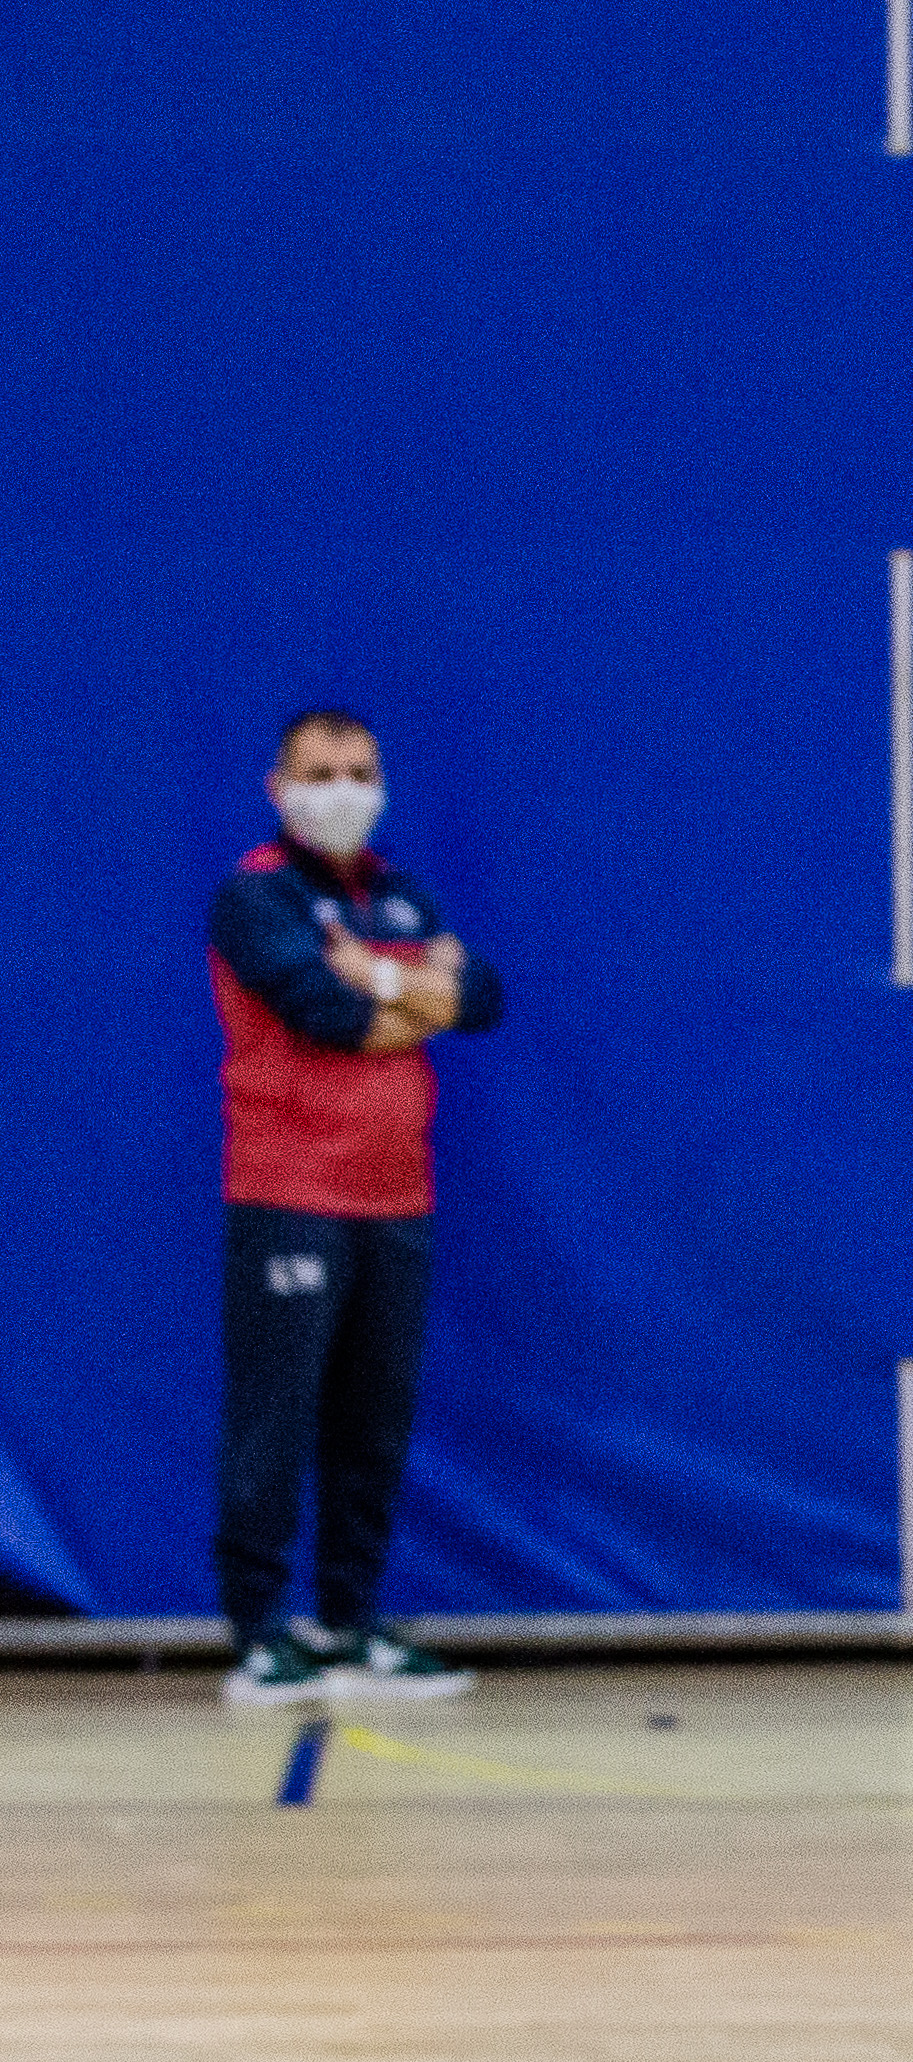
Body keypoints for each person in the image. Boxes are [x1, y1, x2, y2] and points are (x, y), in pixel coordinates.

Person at [205, 710, 501, 1707]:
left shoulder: (399, 896)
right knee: (276, 1418)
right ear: (279, 786)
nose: (343, 790)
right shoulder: (255, 897)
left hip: (395, 1195)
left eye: (361, 771)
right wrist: (419, 995)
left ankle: (350, 1621)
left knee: (374, 1420)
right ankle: (258, 1634)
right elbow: (323, 1017)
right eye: (321, 773)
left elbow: (485, 999)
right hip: (289, 1192)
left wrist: (379, 973)